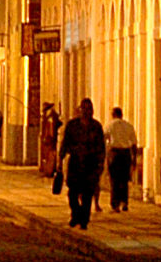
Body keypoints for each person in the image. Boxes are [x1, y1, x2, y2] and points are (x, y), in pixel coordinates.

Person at [58, 98, 106, 229]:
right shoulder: (72, 125)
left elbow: (101, 147)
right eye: (84, 109)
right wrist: (60, 161)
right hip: (75, 163)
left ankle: (84, 220)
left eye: (89, 109)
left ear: (92, 111)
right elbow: (65, 143)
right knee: (72, 193)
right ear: (80, 110)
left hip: (91, 163)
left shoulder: (96, 127)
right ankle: (76, 214)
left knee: (87, 194)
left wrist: (100, 164)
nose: (86, 112)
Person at [102, 106, 140, 212]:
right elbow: (134, 143)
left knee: (114, 179)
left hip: (114, 153)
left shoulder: (109, 125)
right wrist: (134, 158)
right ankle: (124, 202)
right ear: (121, 114)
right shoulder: (129, 126)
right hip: (125, 153)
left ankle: (115, 204)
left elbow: (104, 138)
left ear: (113, 115)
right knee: (124, 179)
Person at [38, 103, 61, 178]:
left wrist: (47, 138)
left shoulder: (50, 118)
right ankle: (47, 170)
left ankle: (49, 171)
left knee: (50, 156)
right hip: (48, 139)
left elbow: (50, 130)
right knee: (47, 156)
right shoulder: (49, 116)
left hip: (49, 140)